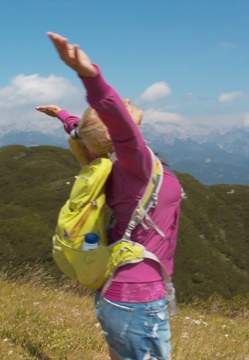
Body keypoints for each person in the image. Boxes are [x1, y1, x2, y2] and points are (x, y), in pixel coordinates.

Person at [38, 32, 183, 360]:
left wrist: (63, 116)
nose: (127, 102)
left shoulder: (105, 163)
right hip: (138, 300)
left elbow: (85, 134)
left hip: (118, 294)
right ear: (113, 133)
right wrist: (91, 76)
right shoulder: (136, 164)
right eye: (121, 107)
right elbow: (117, 123)